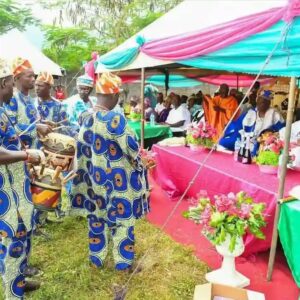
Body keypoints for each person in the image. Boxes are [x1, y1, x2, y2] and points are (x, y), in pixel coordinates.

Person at [70, 72, 149, 271]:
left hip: (92, 181)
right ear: (114, 96)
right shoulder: (115, 120)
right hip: (116, 181)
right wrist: (142, 164)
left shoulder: (84, 116)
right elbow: (132, 148)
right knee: (122, 221)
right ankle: (123, 263)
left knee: (96, 218)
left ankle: (97, 259)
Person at [0, 58, 44, 299]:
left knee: (16, 239)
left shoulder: (3, 108)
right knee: (11, 240)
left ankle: (17, 280)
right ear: (7, 82)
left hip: (17, 184)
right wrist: (27, 155)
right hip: (6, 192)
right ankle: (12, 293)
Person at [4, 57, 52, 148]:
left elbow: (30, 121)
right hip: (20, 155)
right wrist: (37, 127)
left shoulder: (29, 99)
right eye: (29, 76)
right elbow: (9, 129)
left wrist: (43, 123)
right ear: (17, 78)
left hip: (33, 153)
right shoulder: (12, 98)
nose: (34, 79)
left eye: (34, 76)